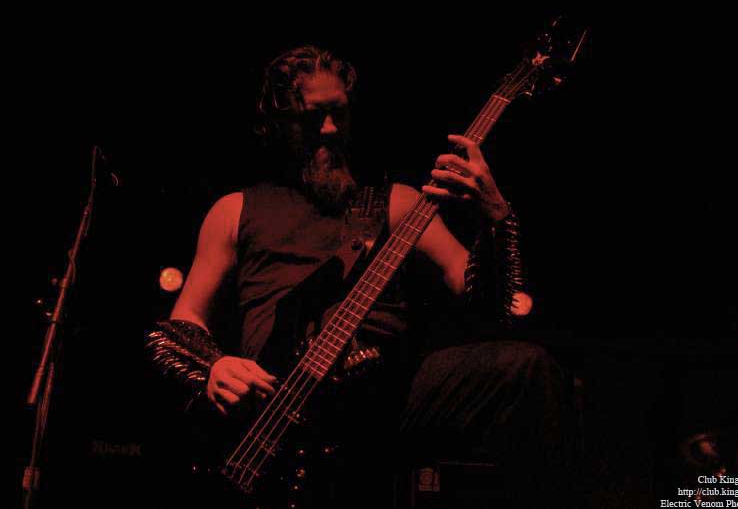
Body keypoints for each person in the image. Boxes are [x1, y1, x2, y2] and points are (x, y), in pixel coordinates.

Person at [146, 45, 574, 507]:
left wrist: (496, 217)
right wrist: (214, 366)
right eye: (314, 117)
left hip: (384, 396)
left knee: (525, 369)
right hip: (275, 402)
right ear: (277, 122)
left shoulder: (398, 202)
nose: (331, 129)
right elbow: (182, 321)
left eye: (340, 113)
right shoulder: (234, 211)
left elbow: (487, 303)